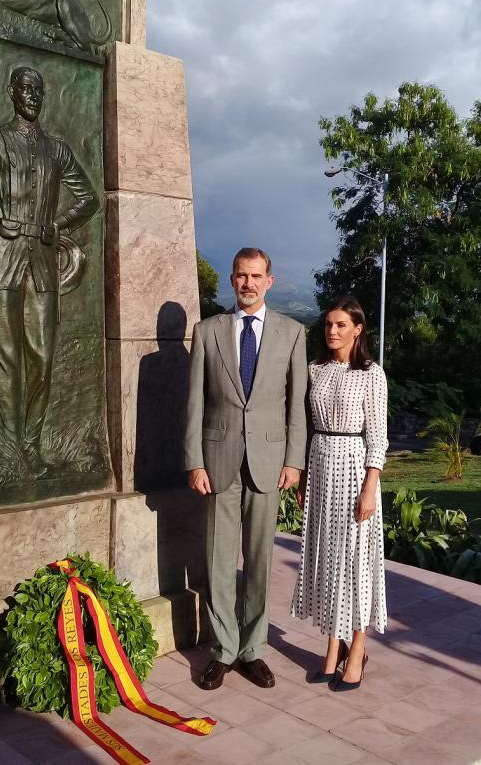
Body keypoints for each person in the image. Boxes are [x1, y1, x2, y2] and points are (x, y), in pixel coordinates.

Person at [0, 66, 99, 471]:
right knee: (8, 359)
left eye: (38, 90)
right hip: (2, 259)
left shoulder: (57, 150)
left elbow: (87, 198)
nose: (33, 96)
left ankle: (33, 444)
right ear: (11, 93)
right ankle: (8, 451)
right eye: (25, 89)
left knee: (41, 357)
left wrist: (58, 225)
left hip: (41, 262)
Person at [183, 247, 307, 691]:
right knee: (217, 561)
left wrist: (294, 460)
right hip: (217, 464)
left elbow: (297, 406)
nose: (248, 283)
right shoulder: (207, 331)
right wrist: (194, 461)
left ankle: (253, 649)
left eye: (256, 276)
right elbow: (194, 402)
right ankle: (222, 650)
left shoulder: (292, 333)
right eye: (241, 276)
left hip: (270, 464)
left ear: (269, 280)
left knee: (258, 562)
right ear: (231, 281)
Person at [291, 296, 388, 691]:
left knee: (355, 563)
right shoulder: (315, 370)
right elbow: (307, 427)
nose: (332, 331)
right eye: (329, 324)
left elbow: (378, 438)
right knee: (328, 561)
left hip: (354, 468)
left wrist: (369, 489)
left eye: (341, 325)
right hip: (319, 467)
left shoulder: (372, 374)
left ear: (358, 329)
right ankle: (332, 650)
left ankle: (358, 647)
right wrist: (301, 480)